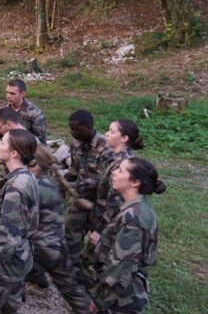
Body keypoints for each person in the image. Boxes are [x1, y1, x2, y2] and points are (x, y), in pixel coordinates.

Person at [91, 157, 166, 313]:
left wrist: (100, 300)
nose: (113, 172)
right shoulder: (135, 207)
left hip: (120, 301)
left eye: (120, 171)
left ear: (134, 182)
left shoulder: (133, 218)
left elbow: (122, 267)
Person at [29, 147, 94, 314]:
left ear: (33, 164)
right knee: (73, 292)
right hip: (57, 246)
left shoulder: (33, 186)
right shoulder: (50, 182)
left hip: (39, 248)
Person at [0, 129, 40, 314]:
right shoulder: (24, 176)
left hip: (8, 265)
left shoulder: (15, 188)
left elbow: (9, 237)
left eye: (2, 142)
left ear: (14, 153)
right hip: (20, 256)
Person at [65, 110, 114, 280]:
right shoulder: (75, 142)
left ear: (89, 127)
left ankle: (94, 272)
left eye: (76, 129)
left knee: (98, 240)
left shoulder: (106, 148)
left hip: (101, 202)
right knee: (71, 233)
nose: (73, 133)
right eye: (71, 129)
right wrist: (64, 181)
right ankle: (77, 272)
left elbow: (104, 182)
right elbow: (74, 169)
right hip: (79, 198)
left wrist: (71, 185)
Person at [89, 119, 145, 247]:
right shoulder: (116, 157)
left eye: (112, 131)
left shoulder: (123, 164)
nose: (106, 134)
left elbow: (116, 201)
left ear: (124, 138)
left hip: (112, 224)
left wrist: (99, 230)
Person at [0, 79, 47, 143]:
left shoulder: (35, 114)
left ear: (22, 94)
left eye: (12, 93)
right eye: (7, 92)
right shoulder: (2, 111)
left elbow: (41, 141)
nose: (8, 96)